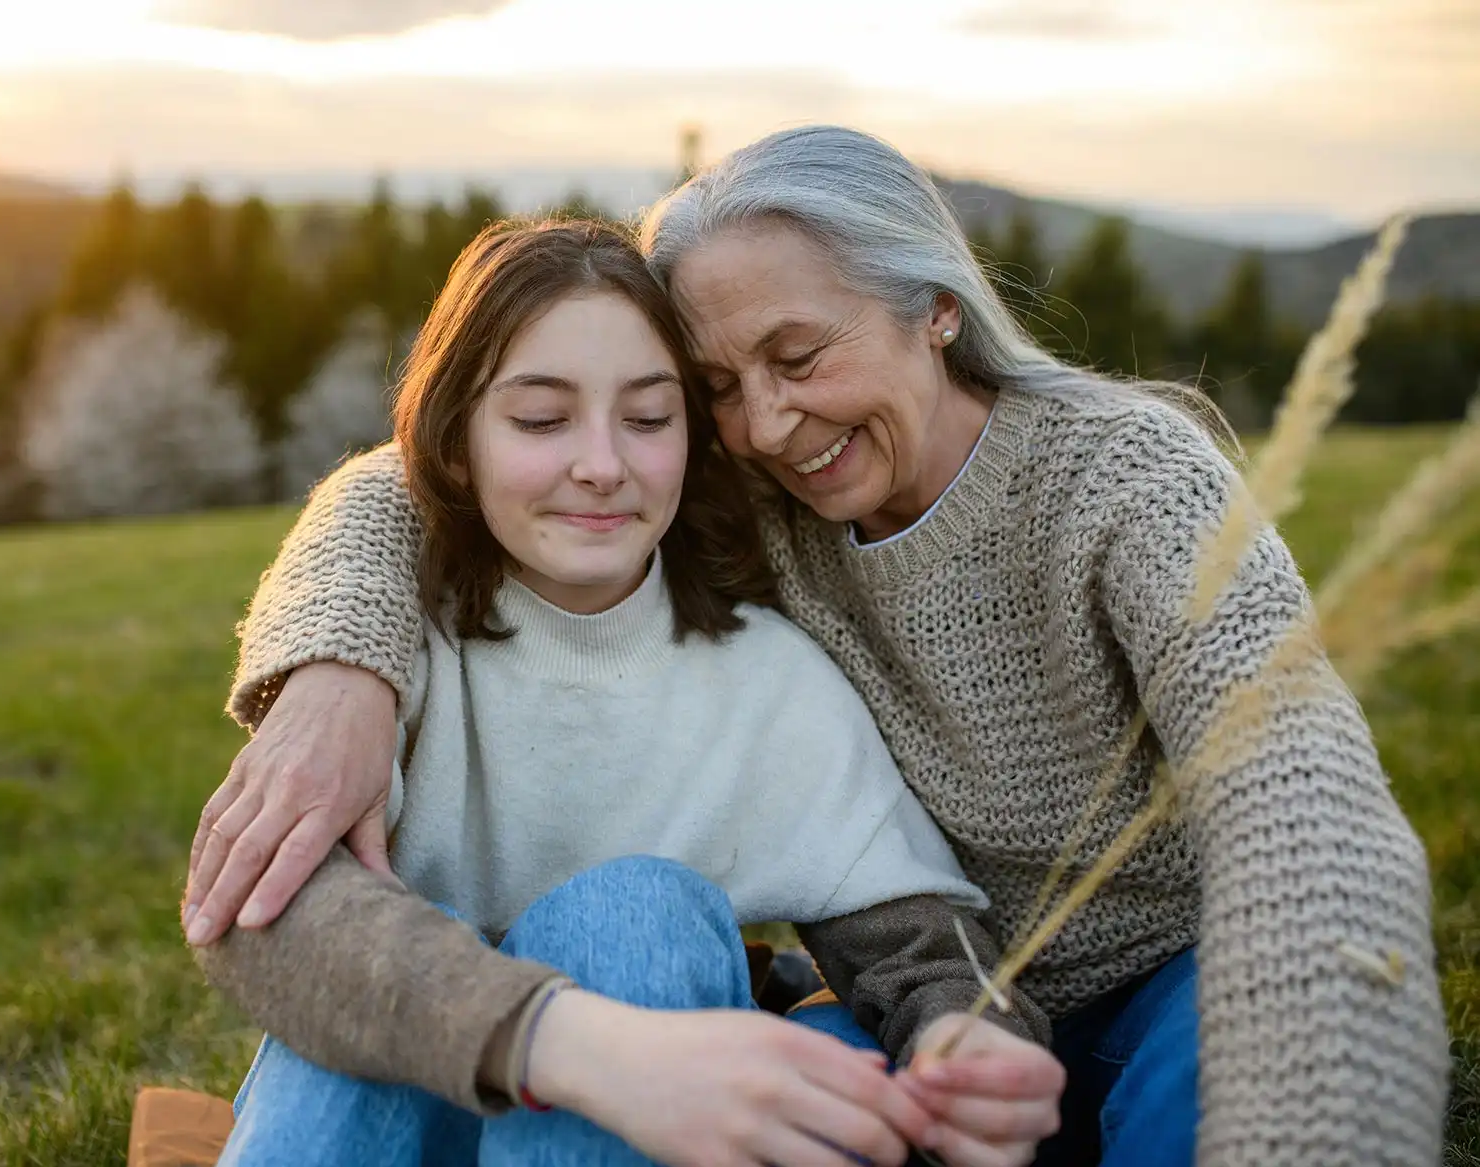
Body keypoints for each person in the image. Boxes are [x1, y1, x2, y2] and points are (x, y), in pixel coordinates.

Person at [185, 128, 1449, 1166]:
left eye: (797, 357)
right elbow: (440, 471)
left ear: (937, 309)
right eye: (722, 386)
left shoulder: (1124, 483)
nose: (771, 426)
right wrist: (336, 668)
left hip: (1158, 973)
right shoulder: (746, 492)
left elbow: (1306, 813)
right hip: (884, 1009)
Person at [195, 218, 1064, 1167]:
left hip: (633, 1126)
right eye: (540, 419)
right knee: (376, 984)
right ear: (454, 446)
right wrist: (574, 1045)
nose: (602, 465)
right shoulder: (376, 648)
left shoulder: (766, 683)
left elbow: (922, 950)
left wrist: (963, 1042)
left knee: (633, 913)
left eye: (648, 419)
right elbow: (259, 915)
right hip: (406, 1114)